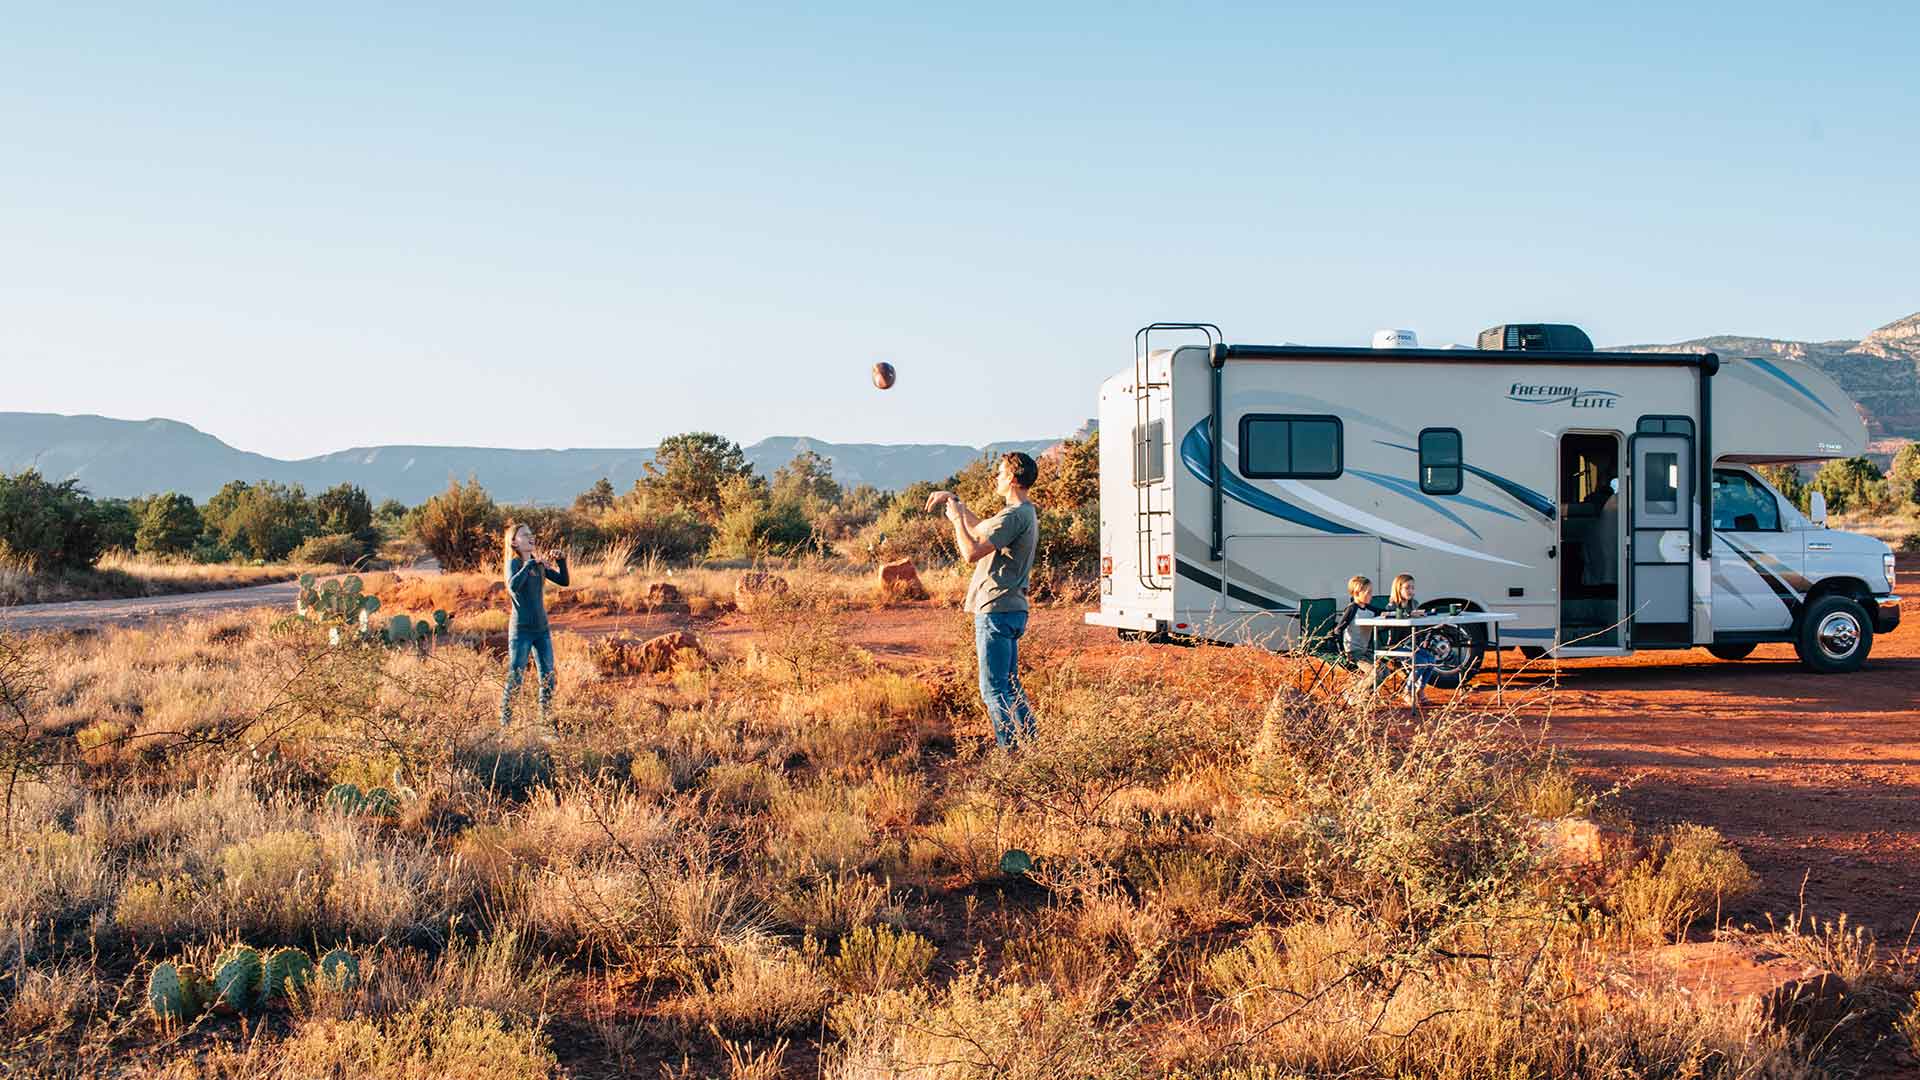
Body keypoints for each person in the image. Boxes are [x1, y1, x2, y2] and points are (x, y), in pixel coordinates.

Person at [926, 453, 1040, 749]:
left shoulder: (1014, 515)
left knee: (993, 689)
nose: (997, 478)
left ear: (1013, 479)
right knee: (1011, 687)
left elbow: (971, 552)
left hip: (996, 611)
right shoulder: (1023, 513)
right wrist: (957, 504)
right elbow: (982, 530)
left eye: (1001, 473)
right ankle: (1033, 747)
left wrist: (954, 523)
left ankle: (1010, 753)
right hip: (1012, 610)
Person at [499, 522, 570, 730]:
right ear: (514, 542)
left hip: (542, 631)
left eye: (531, 533)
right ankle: (506, 726)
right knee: (516, 678)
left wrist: (561, 561)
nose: (531, 536)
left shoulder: (538, 564)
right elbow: (513, 586)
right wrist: (529, 564)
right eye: (524, 534)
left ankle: (544, 724)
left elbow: (564, 581)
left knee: (547, 678)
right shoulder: (514, 564)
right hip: (521, 632)